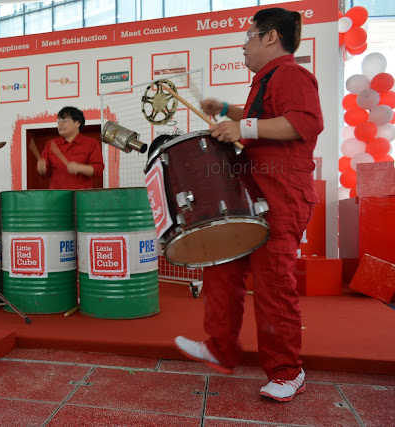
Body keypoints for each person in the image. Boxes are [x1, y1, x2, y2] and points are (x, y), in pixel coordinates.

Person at [174, 8, 323, 402]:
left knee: (273, 283)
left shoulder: (291, 74)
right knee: (223, 267)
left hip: (281, 194)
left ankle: (289, 371)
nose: (243, 44)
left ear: (270, 37)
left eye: (249, 36)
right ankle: (221, 348)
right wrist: (225, 109)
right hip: (252, 194)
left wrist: (242, 127)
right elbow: (263, 118)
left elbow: (303, 122)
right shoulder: (267, 80)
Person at [36, 106, 104, 190]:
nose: (60, 124)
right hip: (56, 195)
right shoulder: (51, 144)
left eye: (65, 120)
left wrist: (79, 168)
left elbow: (98, 169)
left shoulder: (91, 143)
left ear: (77, 123)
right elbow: (44, 173)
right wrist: (41, 168)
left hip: (81, 195)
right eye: (59, 121)